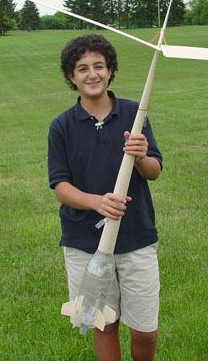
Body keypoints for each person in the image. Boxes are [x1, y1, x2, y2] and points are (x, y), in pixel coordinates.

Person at [48, 34, 162, 361]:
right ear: (72, 77)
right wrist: (96, 202)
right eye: (82, 68)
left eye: (99, 66)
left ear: (110, 70)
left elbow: (154, 170)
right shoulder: (62, 127)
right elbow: (60, 187)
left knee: (144, 332)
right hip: (84, 242)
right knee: (102, 324)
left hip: (135, 236)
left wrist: (141, 157)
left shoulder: (133, 115)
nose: (92, 74)